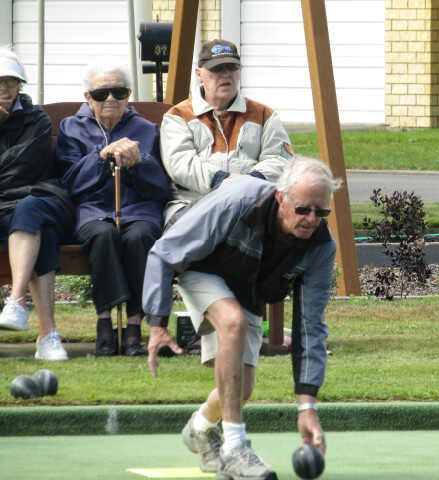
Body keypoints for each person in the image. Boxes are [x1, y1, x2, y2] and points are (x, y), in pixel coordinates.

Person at [142, 158, 341, 480]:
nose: (311, 219)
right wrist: (157, 323)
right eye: (303, 209)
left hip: (245, 285)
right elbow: (165, 252)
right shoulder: (239, 199)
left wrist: (307, 406)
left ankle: (199, 428)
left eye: (321, 213)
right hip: (199, 262)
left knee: (241, 388)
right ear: (281, 198)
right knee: (233, 322)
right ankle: (235, 449)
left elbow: (311, 327)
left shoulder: (320, 247)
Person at [55, 62, 171, 357]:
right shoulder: (71, 128)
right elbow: (70, 182)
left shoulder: (147, 129)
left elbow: (161, 185)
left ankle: (133, 327)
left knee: (140, 237)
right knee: (103, 236)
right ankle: (104, 323)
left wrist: (138, 163)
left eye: (119, 92)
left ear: (128, 95)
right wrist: (101, 156)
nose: (111, 99)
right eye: (102, 92)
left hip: (139, 209)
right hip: (93, 210)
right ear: (88, 97)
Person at [159, 38, 293, 225]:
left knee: (305, 223)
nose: (226, 75)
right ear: (199, 74)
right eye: (217, 69)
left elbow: (281, 161)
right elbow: (181, 165)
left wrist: (250, 183)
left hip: (254, 201)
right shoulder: (178, 116)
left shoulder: (264, 114)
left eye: (232, 68)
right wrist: (224, 180)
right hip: (193, 203)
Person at [0, 48, 73, 360]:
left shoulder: (37, 118)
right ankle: (48, 336)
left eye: (10, 81)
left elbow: (24, 170)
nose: (4, 88)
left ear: (20, 85)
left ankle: (16, 301)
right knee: (42, 234)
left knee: (32, 212)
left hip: (35, 197)